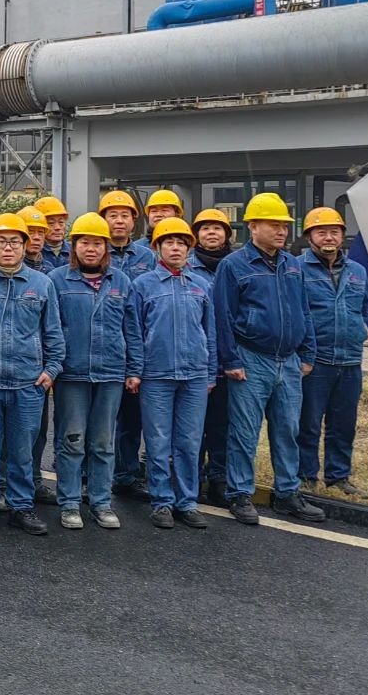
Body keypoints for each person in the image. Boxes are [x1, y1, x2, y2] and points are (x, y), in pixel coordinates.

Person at [214, 192, 326, 525]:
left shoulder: (292, 265)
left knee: (288, 430)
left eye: (284, 226)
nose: (281, 231)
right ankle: (240, 494)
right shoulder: (233, 265)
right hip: (251, 359)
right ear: (253, 226)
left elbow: (304, 310)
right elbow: (223, 316)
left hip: (289, 361)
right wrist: (231, 360)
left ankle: (287, 493)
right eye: (273, 225)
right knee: (244, 432)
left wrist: (307, 352)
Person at [0, 213, 64, 537]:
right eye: (2, 241)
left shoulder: (42, 284)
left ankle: (22, 507)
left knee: (22, 452)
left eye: (15, 242)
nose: (8, 248)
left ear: (24, 246)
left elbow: (53, 333)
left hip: (27, 383)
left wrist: (51, 370)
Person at [48, 213, 140, 531]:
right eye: (84, 242)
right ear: (74, 247)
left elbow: (132, 329)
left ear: (106, 248)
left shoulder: (121, 282)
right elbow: (51, 329)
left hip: (111, 373)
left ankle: (101, 502)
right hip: (71, 374)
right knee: (71, 441)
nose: (91, 249)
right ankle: (70, 503)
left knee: (103, 443)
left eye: (97, 243)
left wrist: (134, 369)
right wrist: (53, 366)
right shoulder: (57, 280)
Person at [129, 217, 215, 530]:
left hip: (194, 375)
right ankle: (162, 501)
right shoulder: (143, 285)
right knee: (158, 441)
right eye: (169, 242)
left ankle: (187, 502)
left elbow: (211, 332)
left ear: (189, 248)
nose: (175, 248)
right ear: (157, 248)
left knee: (189, 442)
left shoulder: (202, 285)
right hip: (156, 375)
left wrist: (211, 373)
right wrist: (136, 370)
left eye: (181, 243)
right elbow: (135, 331)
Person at [298, 207, 368, 497]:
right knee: (308, 423)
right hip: (314, 362)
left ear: (342, 236)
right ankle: (305, 476)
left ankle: (338, 476)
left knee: (344, 424)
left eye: (334, 232)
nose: (328, 237)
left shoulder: (358, 271)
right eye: (321, 232)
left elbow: (364, 308)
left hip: (350, 360)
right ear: (309, 237)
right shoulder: (297, 269)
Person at [99, 190, 156, 499]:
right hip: (103, 346)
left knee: (132, 419)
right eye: (112, 215)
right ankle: (88, 477)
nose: (119, 221)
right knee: (97, 422)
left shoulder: (148, 256)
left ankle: (126, 474)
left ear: (135, 220)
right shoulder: (92, 250)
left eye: (125, 215)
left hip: (137, 344)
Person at [188, 207, 234, 506]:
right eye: (205, 228)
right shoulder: (186, 267)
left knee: (222, 424)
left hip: (228, 358)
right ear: (196, 236)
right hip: (195, 360)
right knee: (192, 427)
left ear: (227, 235)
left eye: (217, 228)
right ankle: (191, 480)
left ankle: (219, 479)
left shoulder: (236, 266)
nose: (212, 233)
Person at [17, 205, 57, 504]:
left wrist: (52, 365)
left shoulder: (51, 272)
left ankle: (33, 480)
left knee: (37, 430)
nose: (36, 236)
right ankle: (3, 486)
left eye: (40, 231)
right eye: (29, 231)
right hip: (1, 366)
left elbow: (54, 326)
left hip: (37, 367)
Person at [34, 196, 71, 270]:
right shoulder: (33, 252)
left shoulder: (75, 251)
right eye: (51, 223)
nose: (57, 227)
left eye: (61, 222)